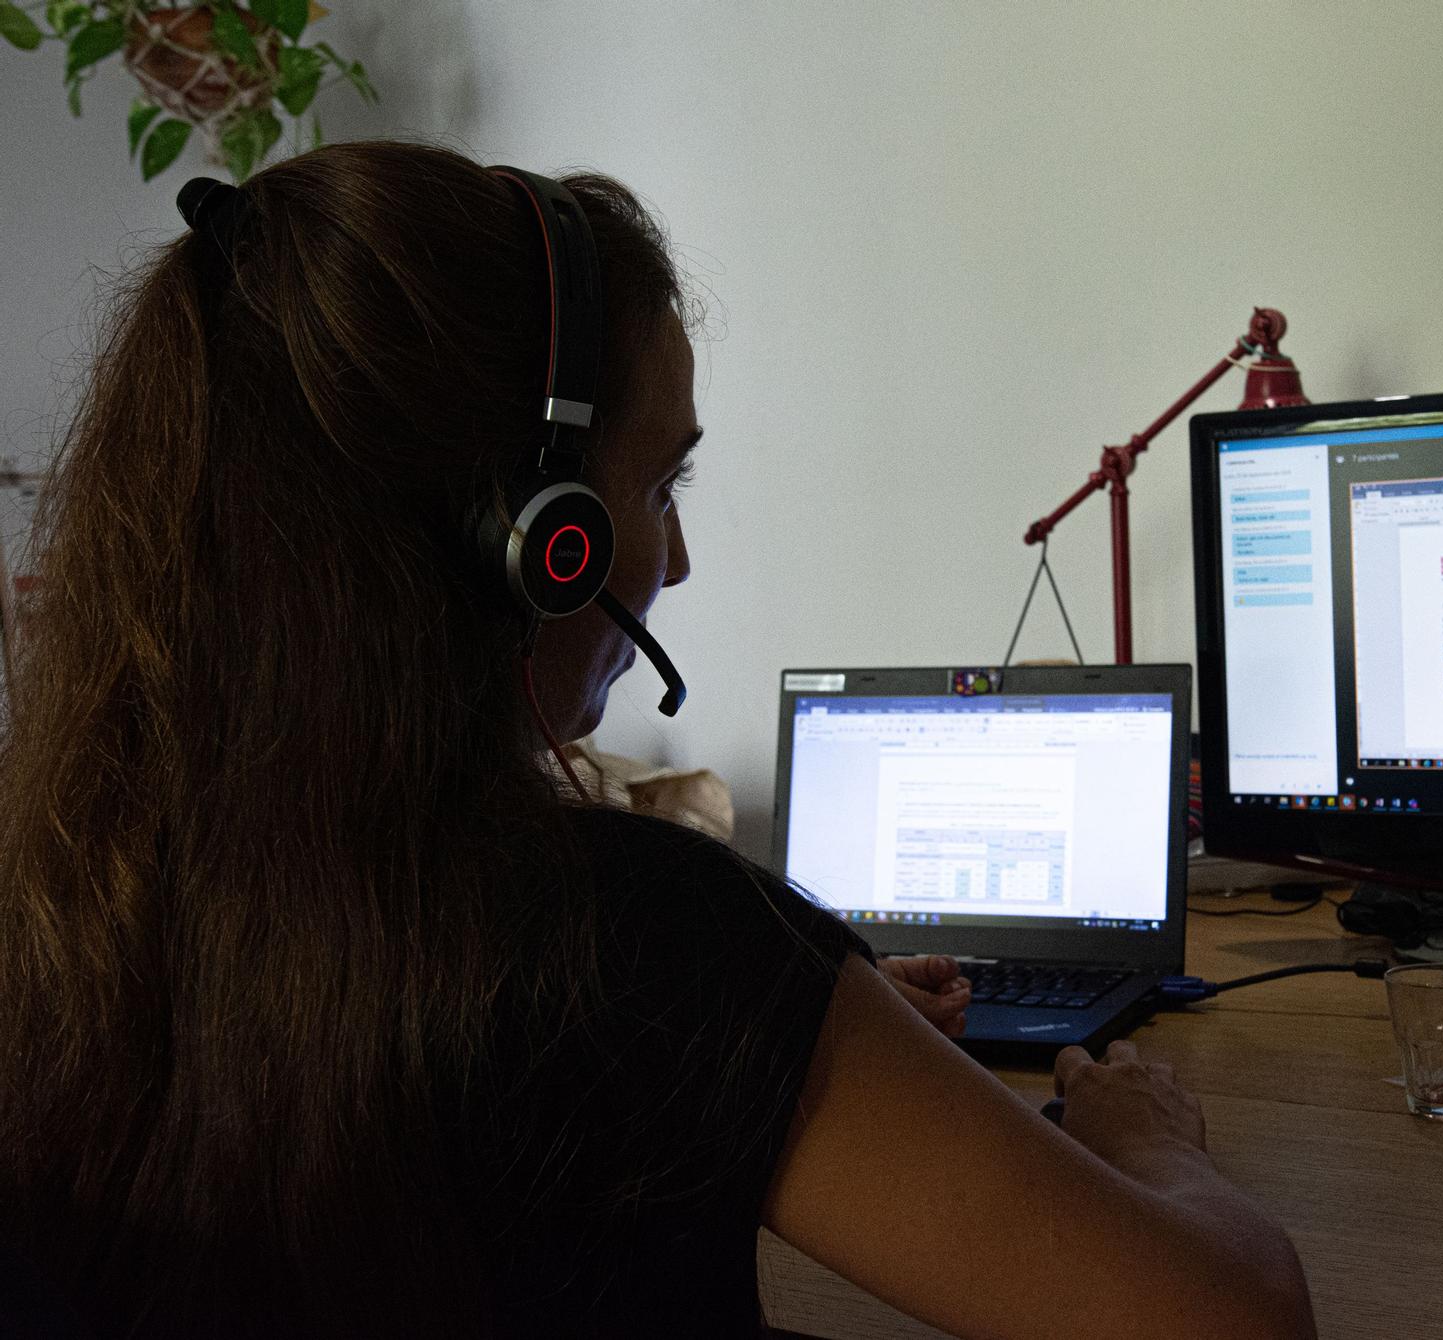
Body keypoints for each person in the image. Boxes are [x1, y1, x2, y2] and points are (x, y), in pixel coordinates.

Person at [0, 140, 1314, 1339]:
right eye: (659, 479)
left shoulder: (55, 898)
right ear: (534, 532)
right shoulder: (625, 947)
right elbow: (1234, 1323)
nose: (673, 556)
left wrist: (790, 1039)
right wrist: (1153, 1144)